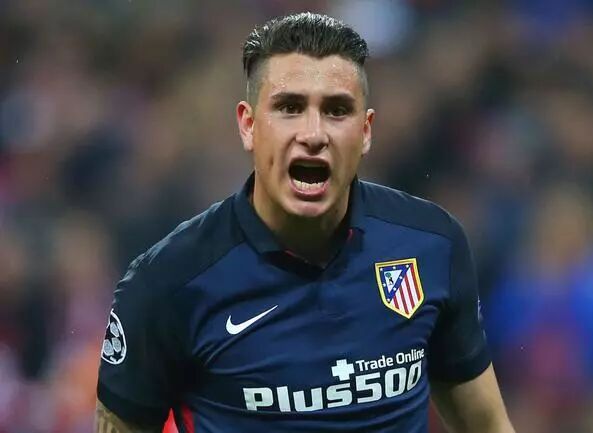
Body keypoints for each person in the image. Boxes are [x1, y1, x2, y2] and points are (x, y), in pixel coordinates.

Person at [95, 12, 515, 433]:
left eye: (337, 110)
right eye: (290, 107)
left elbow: (488, 426)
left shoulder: (432, 246)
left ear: (366, 131)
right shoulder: (168, 282)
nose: (314, 134)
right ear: (248, 125)